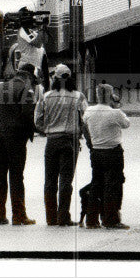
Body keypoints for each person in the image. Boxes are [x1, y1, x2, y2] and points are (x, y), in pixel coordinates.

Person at [33, 63, 88, 226]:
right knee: (66, 180)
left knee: (49, 181)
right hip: (70, 141)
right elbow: (86, 119)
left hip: (52, 142)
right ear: (70, 78)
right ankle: (63, 217)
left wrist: (47, 130)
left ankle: (51, 218)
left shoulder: (46, 96)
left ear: (55, 78)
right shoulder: (78, 97)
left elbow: (37, 120)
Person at [0, 63, 39, 226]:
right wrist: (30, 132)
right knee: (16, 177)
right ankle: (19, 216)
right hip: (16, 138)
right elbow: (27, 113)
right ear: (29, 77)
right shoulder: (26, 89)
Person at [83, 83, 131, 229]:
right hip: (113, 151)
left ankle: (91, 219)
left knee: (96, 183)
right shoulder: (114, 113)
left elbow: (84, 124)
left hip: (96, 151)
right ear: (111, 96)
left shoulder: (89, 111)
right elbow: (126, 124)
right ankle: (110, 219)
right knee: (113, 185)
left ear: (97, 96)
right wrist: (115, 106)